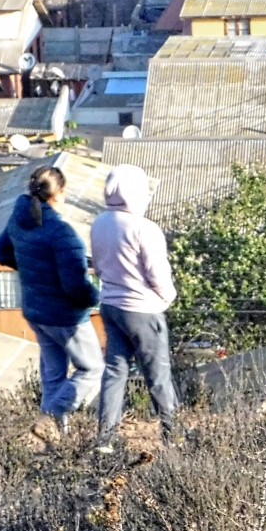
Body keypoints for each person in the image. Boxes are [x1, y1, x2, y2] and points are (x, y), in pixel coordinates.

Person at [0, 165, 103, 441]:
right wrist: (96, 298)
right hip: (66, 317)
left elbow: (0, 251)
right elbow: (75, 287)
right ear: (59, 194)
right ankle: (51, 417)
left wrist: (33, 270)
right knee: (92, 368)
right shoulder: (62, 234)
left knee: (53, 375)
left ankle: (58, 444)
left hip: (36, 310)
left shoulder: (18, 220)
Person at [90, 164, 179, 449]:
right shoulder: (144, 228)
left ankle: (105, 438)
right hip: (142, 308)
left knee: (115, 372)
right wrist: (167, 298)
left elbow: (100, 268)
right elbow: (157, 273)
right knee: (158, 374)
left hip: (110, 306)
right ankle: (172, 434)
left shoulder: (100, 222)